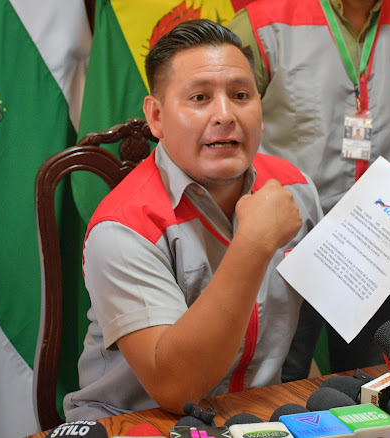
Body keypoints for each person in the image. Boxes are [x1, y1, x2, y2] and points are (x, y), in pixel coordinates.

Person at [63, 19, 324, 421]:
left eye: (241, 95)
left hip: (250, 414)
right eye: (200, 97)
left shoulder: (294, 188)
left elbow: (342, 293)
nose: (226, 114)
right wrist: (253, 243)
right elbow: (176, 389)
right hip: (137, 420)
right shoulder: (123, 226)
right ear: (156, 117)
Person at [228, 0, 390, 380]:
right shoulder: (264, 24)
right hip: (287, 241)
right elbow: (229, 131)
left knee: (371, 380)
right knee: (279, 378)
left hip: (378, 242)